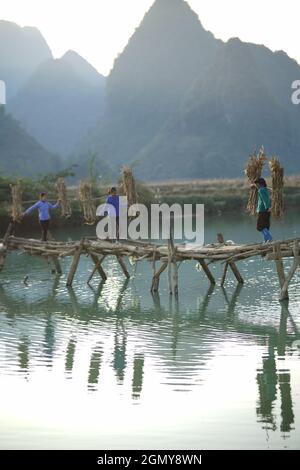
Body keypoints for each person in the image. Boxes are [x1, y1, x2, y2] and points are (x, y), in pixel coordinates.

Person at [254, 177, 273, 243]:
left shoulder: (261, 190)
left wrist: (267, 207)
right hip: (267, 210)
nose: (256, 186)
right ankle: (266, 240)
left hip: (263, 210)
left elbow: (265, 200)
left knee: (259, 226)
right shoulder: (265, 189)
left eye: (257, 184)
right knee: (265, 226)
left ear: (260, 184)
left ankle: (269, 238)